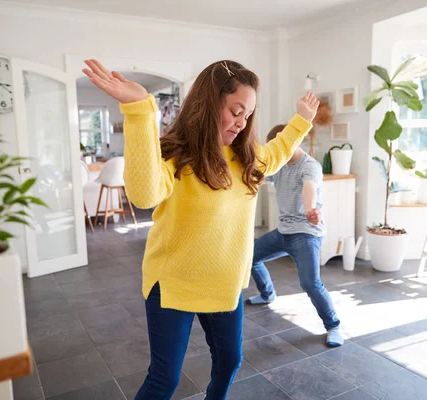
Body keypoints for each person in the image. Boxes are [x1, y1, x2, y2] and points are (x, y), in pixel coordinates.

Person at [83, 59, 319, 400]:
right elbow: (143, 194)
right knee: (164, 380)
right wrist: (138, 111)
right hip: (173, 284)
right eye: (235, 111)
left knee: (229, 362)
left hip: (223, 284)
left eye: (248, 115)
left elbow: (279, 151)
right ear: (209, 104)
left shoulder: (248, 158)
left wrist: (302, 121)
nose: (241, 123)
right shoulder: (176, 155)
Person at [246, 124, 343, 347]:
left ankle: (334, 325)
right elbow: (260, 177)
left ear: (294, 141)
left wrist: (310, 209)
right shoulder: (279, 163)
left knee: (310, 283)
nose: (279, 152)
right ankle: (268, 294)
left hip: (306, 234)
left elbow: (309, 187)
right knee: (250, 257)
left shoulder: (310, 166)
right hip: (284, 232)